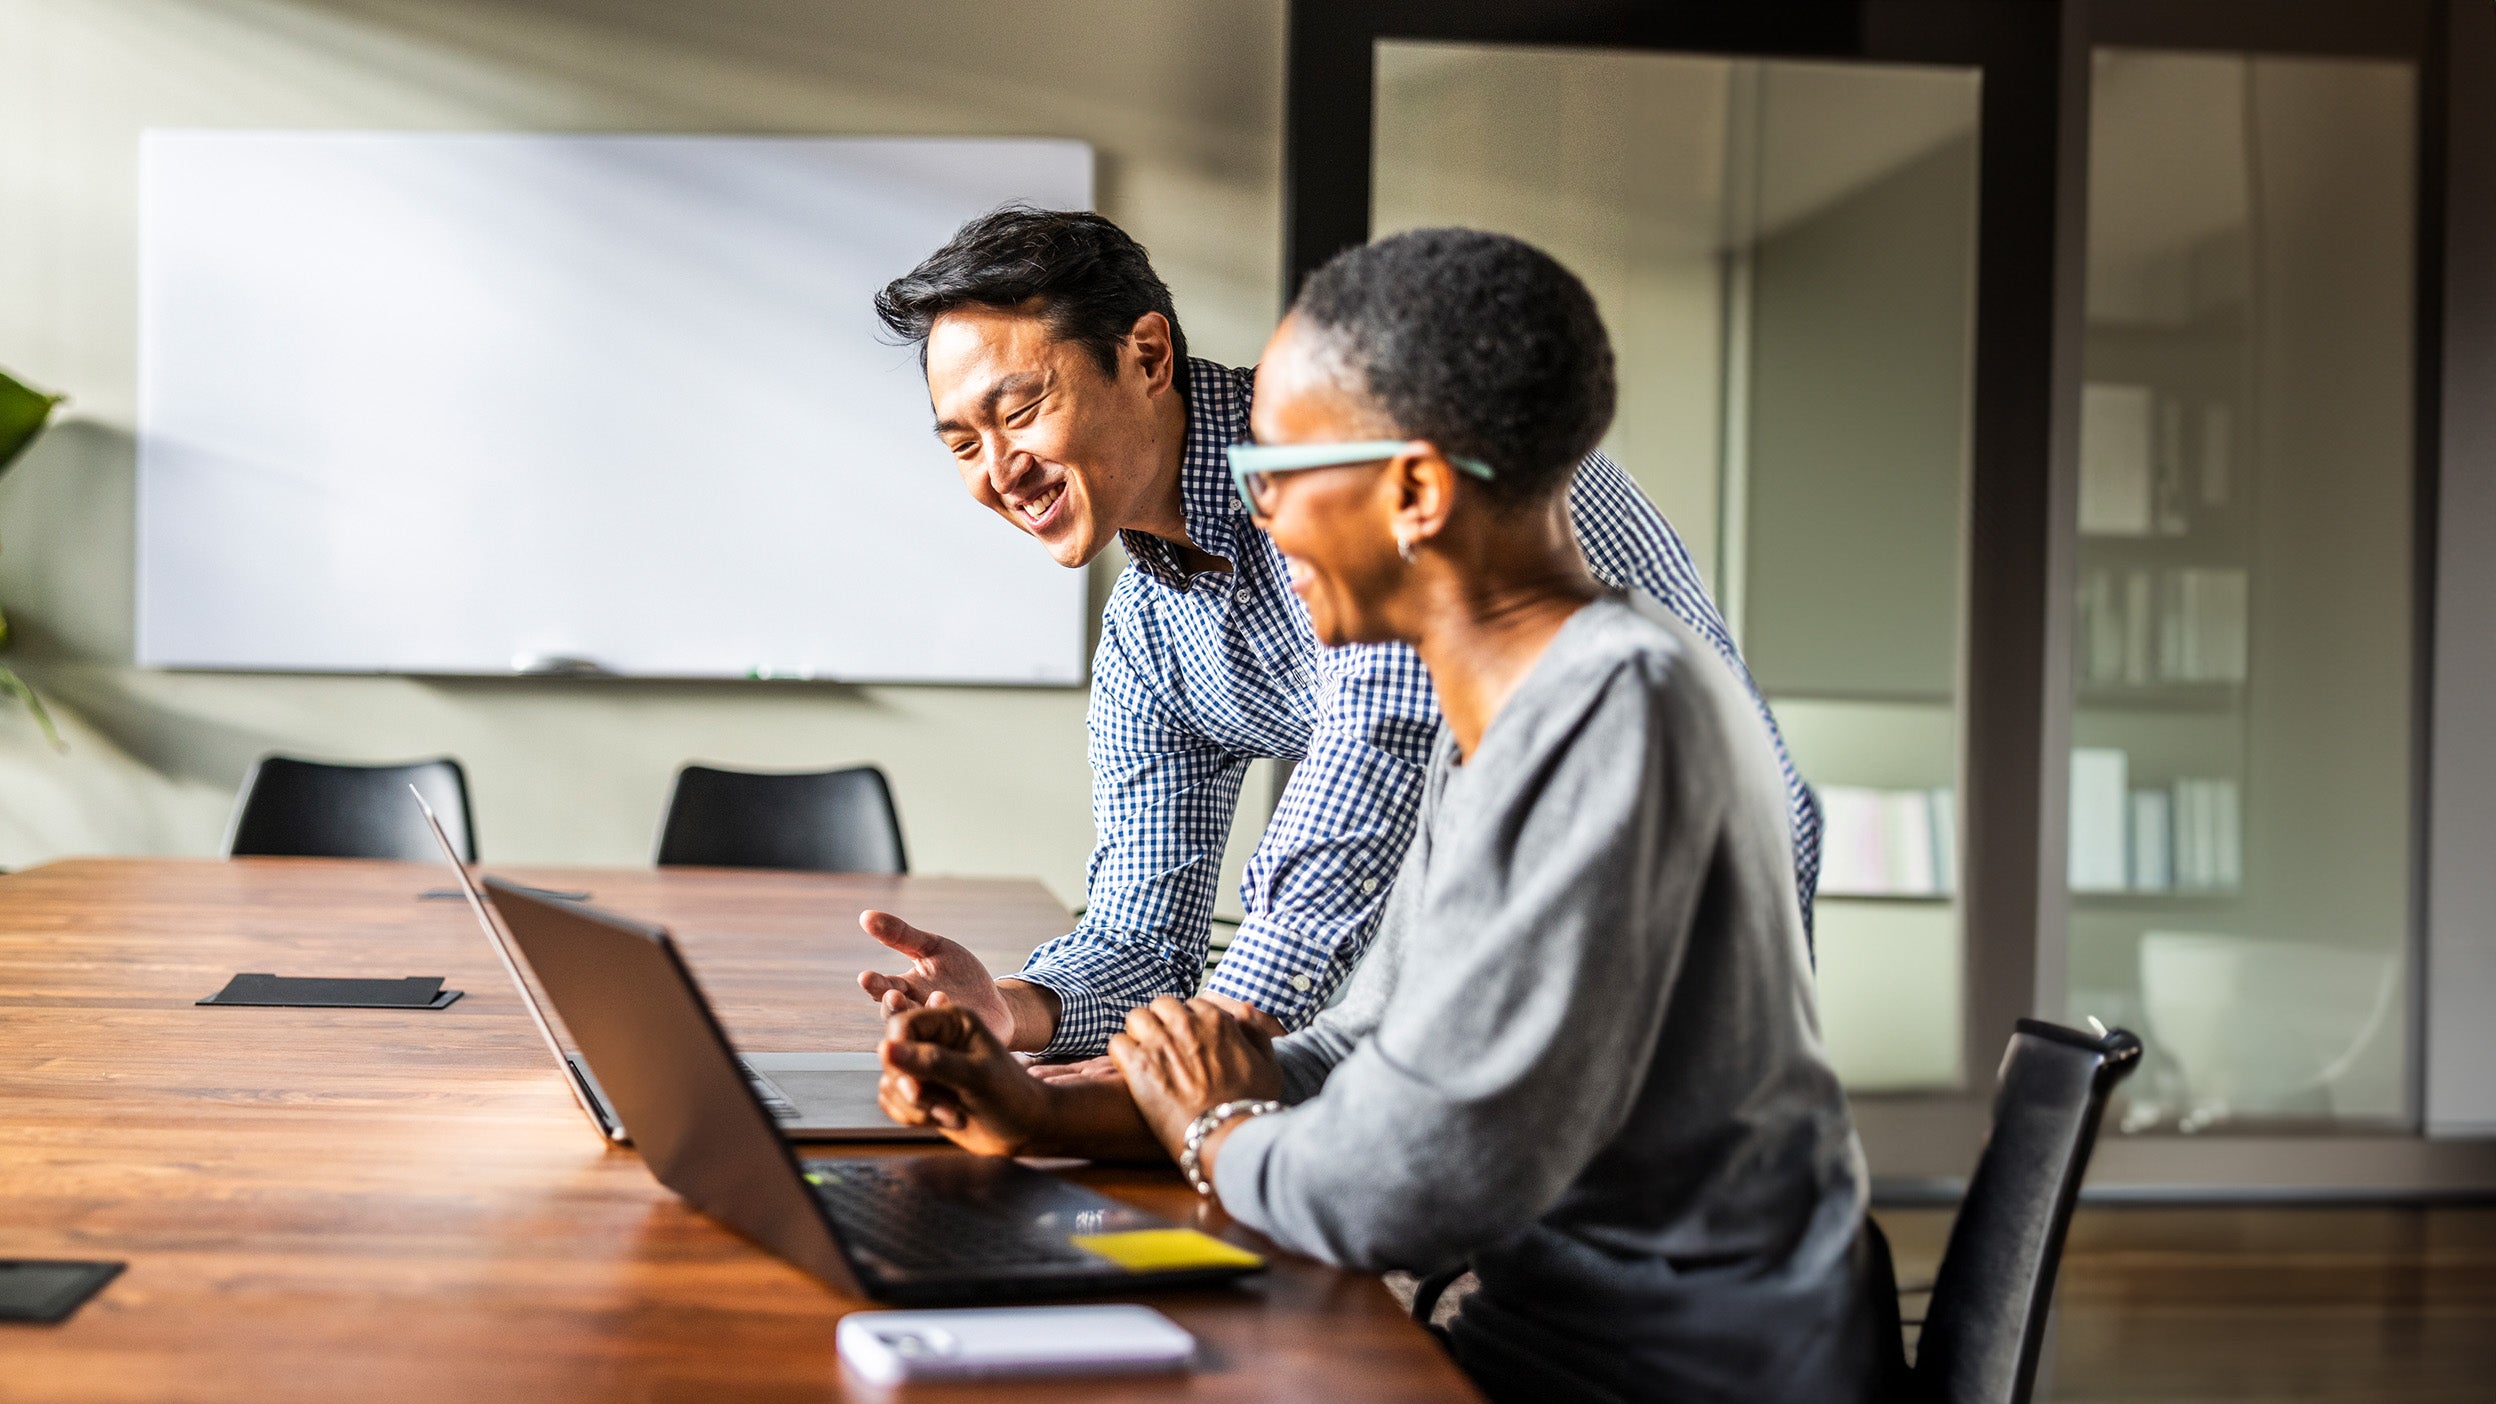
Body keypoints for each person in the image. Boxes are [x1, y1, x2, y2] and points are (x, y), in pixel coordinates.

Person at [874, 228, 1890, 1404]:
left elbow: (1411, 1172)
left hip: (1673, 1360)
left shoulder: (1601, 706)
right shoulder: (1494, 725)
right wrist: (1055, 1098)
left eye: (1284, 473)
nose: (1265, 517)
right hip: (1541, 1308)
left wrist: (1207, 1117)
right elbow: (1378, 1048)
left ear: (1412, 491)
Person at [858, 206, 1821, 1062]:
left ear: (1148, 357)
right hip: (1481, 927)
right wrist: (1013, 1010)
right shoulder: (1152, 629)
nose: (998, 470)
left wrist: (1209, 1043)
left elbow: (1368, 777)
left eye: (1019, 410)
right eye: (962, 443)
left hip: (1682, 875)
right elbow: (1143, 933)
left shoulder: (1354, 457)